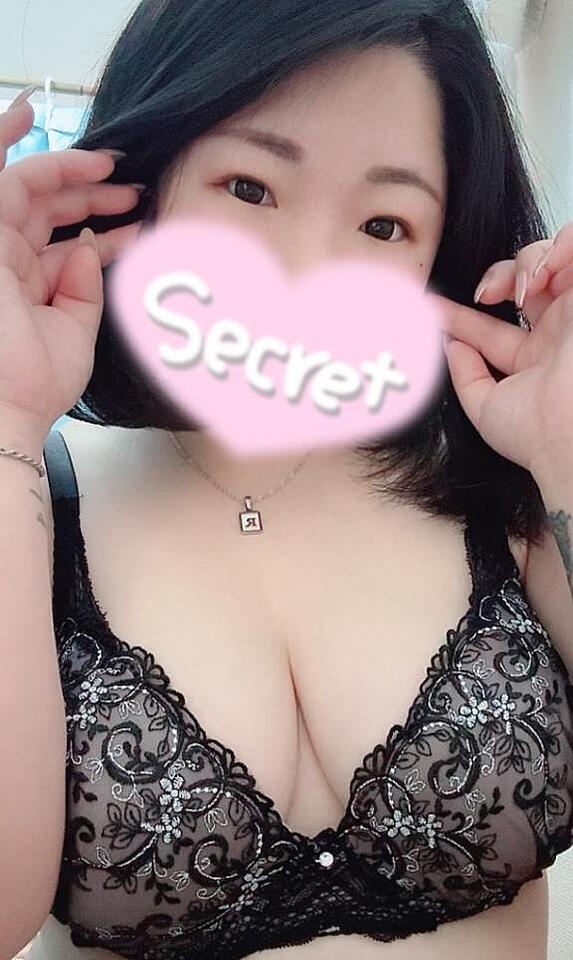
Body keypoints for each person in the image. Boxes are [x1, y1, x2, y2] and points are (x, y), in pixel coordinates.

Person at [1, 1, 572, 959]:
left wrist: (564, 451)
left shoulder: (501, 490)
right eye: (250, 187)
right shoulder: (33, 495)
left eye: (384, 223)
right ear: (145, 185)